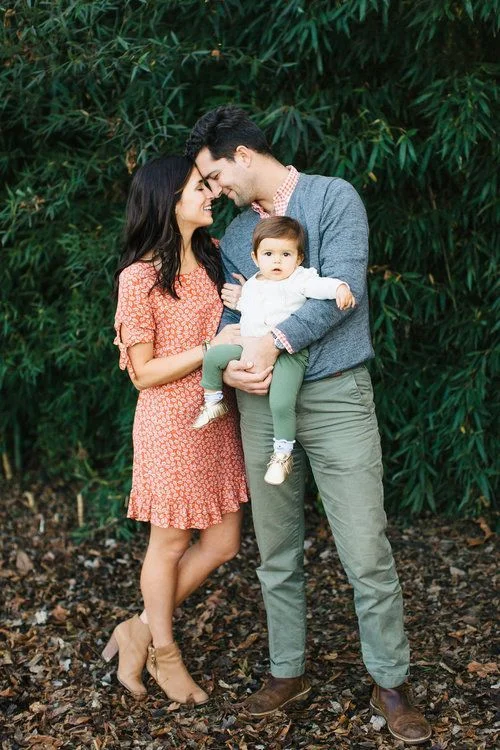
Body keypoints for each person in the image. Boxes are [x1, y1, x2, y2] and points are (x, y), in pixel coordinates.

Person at [185, 107, 432, 744]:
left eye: (214, 177)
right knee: (276, 550)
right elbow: (229, 317)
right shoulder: (238, 235)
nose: (216, 192)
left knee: (366, 549)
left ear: (241, 155)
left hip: (339, 396)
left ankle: (390, 680)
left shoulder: (333, 198)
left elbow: (345, 290)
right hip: (261, 403)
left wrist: (278, 343)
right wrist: (237, 364)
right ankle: (287, 670)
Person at [102, 155, 248, 705]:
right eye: (198, 187)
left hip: (218, 419)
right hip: (171, 424)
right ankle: (165, 652)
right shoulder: (139, 277)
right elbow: (143, 373)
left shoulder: (212, 258)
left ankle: (137, 628)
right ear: (168, 200)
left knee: (224, 542)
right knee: (169, 543)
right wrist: (206, 350)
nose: (210, 194)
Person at [193, 215, 355, 487]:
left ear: (299, 258)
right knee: (212, 356)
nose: (277, 261)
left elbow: (319, 286)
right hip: (249, 344)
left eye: (286, 254)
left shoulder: (300, 279)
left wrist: (339, 287)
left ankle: (282, 454)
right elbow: (252, 309)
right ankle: (213, 401)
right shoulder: (254, 283)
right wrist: (241, 298)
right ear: (256, 258)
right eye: (269, 254)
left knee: (280, 402)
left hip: (289, 352)